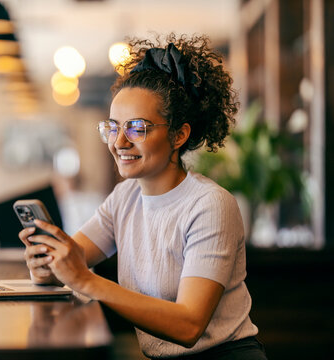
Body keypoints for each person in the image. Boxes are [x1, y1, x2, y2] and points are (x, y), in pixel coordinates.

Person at [19, 34, 267, 359]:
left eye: (137, 128)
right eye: (113, 127)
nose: (119, 142)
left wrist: (85, 280)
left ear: (179, 134)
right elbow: (75, 259)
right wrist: (47, 267)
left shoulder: (210, 205)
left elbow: (189, 326)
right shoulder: (125, 197)